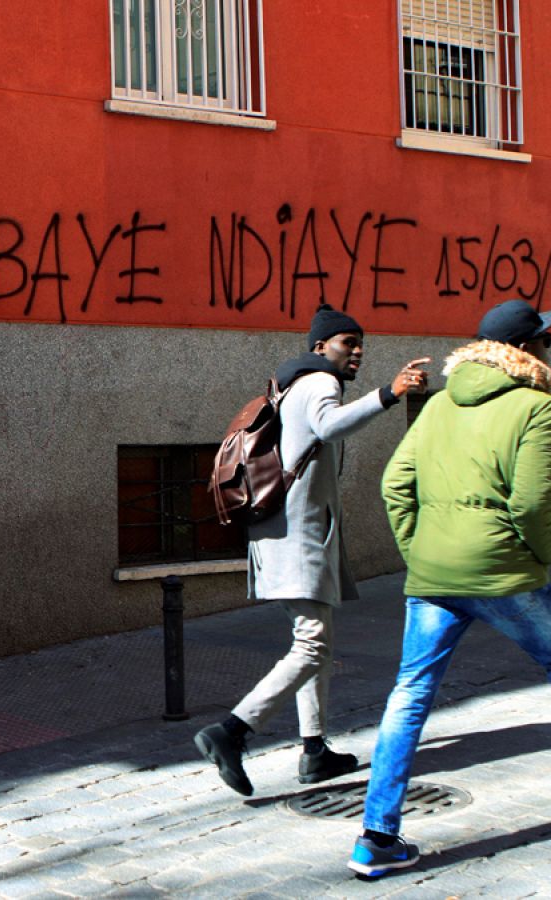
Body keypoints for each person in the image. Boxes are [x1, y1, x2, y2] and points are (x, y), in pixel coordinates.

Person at [348, 299, 551, 878]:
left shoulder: (439, 403)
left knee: (410, 693)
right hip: (504, 571)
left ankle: (375, 839)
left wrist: (420, 549)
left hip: (434, 574)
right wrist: (543, 556)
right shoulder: (537, 406)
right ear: (527, 350)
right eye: (546, 339)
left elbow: (395, 484)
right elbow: (533, 502)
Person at [195, 305, 429, 796]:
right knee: (312, 644)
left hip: (284, 533)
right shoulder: (321, 382)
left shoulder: (292, 384)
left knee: (312, 642)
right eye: (348, 342)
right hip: (298, 536)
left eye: (361, 342)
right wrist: (389, 394)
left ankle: (315, 751)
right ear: (321, 347)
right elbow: (328, 426)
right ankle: (232, 731)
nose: (358, 351)